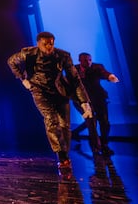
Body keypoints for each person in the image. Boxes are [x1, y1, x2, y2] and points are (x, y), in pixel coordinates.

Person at [7, 31, 92, 171]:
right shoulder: (28, 53)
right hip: (39, 91)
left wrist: (84, 102)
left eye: (51, 44)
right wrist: (23, 79)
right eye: (45, 44)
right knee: (51, 119)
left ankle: (65, 153)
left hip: (59, 91)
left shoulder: (63, 56)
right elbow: (11, 61)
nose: (48, 47)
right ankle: (62, 156)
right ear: (38, 43)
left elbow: (75, 80)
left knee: (64, 125)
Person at [74, 52, 120, 156]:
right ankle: (95, 147)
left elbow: (104, 73)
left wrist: (110, 76)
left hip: (98, 98)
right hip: (82, 101)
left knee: (104, 121)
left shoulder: (97, 67)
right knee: (91, 121)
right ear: (80, 60)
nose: (88, 62)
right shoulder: (74, 69)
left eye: (89, 59)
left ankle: (104, 144)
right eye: (85, 60)